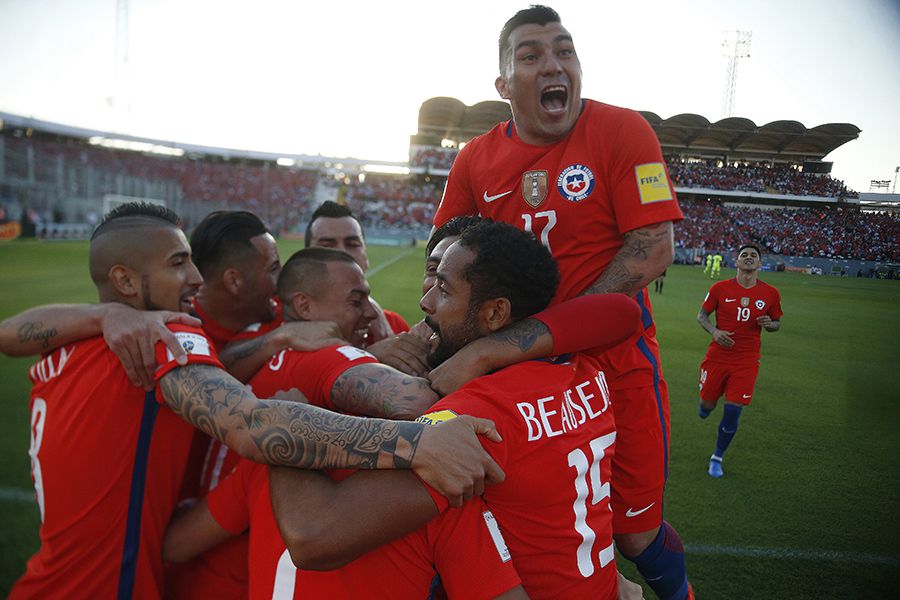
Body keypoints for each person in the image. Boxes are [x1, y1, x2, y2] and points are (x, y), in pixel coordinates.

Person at [7, 203, 504, 600]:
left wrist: (105, 316)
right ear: (126, 282)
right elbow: (251, 424)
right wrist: (418, 442)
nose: (197, 280)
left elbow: (9, 333)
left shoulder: (61, 343)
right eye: (180, 265)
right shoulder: (163, 335)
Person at [431, 6, 690, 599]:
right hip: (514, 379)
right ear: (504, 87)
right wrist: (428, 336)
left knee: (636, 532)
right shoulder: (474, 159)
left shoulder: (623, 131)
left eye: (564, 51)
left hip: (614, 360)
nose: (554, 64)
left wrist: (548, 333)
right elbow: (443, 252)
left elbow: (652, 250)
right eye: (531, 55)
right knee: (496, 523)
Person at [268, 222, 643, 599]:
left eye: (444, 289)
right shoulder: (582, 369)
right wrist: (482, 352)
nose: (426, 302)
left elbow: (314, 536)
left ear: (495, 314)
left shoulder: (475, 416)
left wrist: (290, 415)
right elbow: (623, 312)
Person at [161, 246, 527, 599]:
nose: (372, 312)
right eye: (356, 300)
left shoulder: (269, 455)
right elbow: (416, 402)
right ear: (305, 305)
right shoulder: (437, 476)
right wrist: (471, 361)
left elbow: (179, 543)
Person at [305, 201, 431, 376]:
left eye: (352, 244)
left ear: (366, 256)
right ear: (305, 258)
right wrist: (370, 356)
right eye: (327, 245)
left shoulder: (395, 326)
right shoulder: (279, 320)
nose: (342, 253)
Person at [696, 243, 783, 478]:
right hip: (718, 356)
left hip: (747, 360)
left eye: (753, 256)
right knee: (707, 405)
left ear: (759, 264)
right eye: (743, 255)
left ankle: (717, 457)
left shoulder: (771, 293)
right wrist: (715, 332)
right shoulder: (719, 288)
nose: (748, 258)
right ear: (736, 262)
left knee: (733, 410)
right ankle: (705, 406)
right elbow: (701, 316)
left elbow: (777, 322)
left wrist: (770, 325)